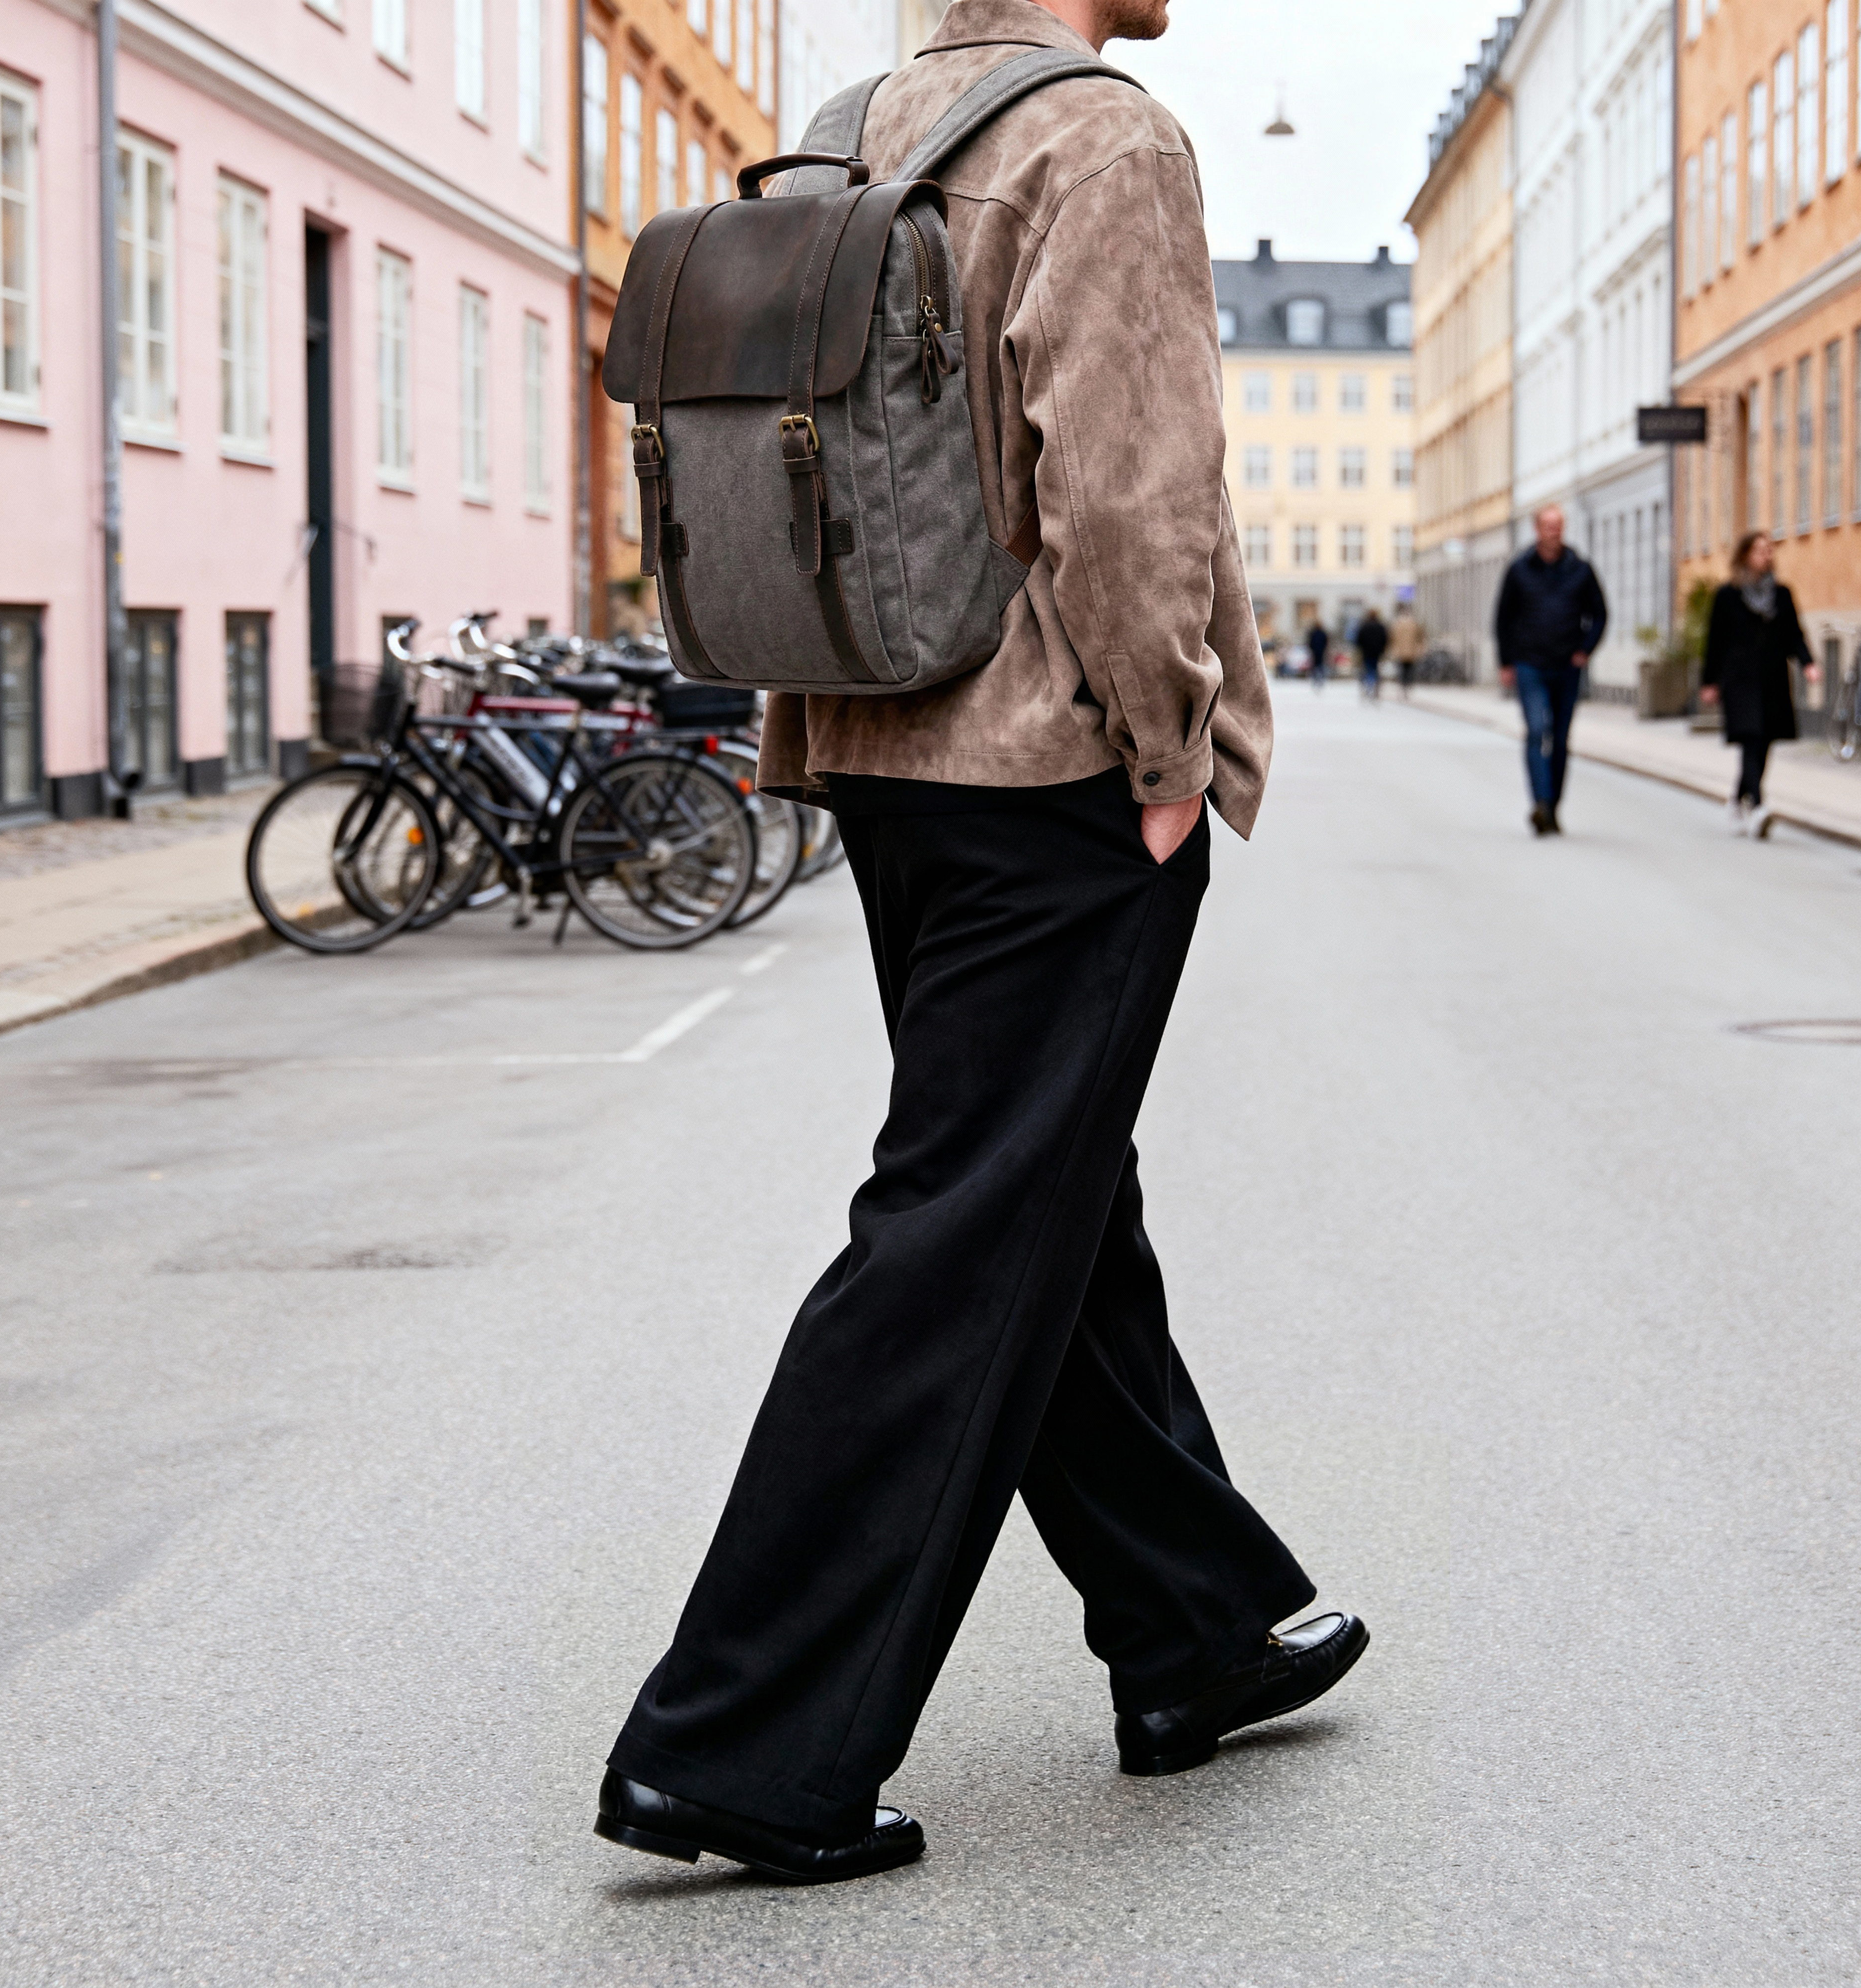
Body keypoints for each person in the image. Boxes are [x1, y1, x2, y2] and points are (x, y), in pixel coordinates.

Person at [594, 0, 1367, 1888]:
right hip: (1052, 769)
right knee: (963, 1230)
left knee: (1044, 1201)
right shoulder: (1103, 134)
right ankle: (743, 1744)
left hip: (882, 747)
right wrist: (1169, 748)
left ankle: (1196, 1625)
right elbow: (1125, 482)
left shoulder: (861, 121)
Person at [1493, 504, 1608, 835]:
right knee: (1536, 730)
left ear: (1563, 529)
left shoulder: (1580, 569)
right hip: (1530, 663)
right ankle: (1541, 803)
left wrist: (1586, 650)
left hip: (1567, 665)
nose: (1553, 532)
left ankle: (1554, 806)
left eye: (1558, 526)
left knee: (1559, 738)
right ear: (1537, 529)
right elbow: (1503, 618)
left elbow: (1600, 614)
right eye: (1547, 526)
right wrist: (1505, 662)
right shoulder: (1519, 570)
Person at [1700, 531, 1815, 835]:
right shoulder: (1728, 595)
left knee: (1764, 742)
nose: (1767, 556)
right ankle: (1759, 807)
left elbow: (1794, 634)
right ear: (1745, 556)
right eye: (1760, 551)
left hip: (1772, 678)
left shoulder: (1782, 594)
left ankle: (1738, 799)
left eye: (1769, 550)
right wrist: (1709, 681)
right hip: (1739, 679)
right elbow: (1715, 641)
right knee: (1752, 738)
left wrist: (1808, 663)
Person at [1388, 603, 1424, 698]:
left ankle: (1403, 687)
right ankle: (1407, 686)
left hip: (1400, 652)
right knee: (1410, 670)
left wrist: (1393, 649)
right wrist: (1419, 648)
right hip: (1411, 651)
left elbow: (1392, 638)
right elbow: (1420, 637)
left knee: (1402, 670)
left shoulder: (1397, 625)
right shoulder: (1415, 624)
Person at [1355, 607, 1388, 701]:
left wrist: (1362, 648)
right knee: (1374, 669)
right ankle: (1373, 686)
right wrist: (1382, 649)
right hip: (1377, 652)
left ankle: (1369, 685)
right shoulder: (1381, 626)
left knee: (1368, 669)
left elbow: (1359, 639)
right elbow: (1385, 639)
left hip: (1367, 652)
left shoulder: (1365, 626)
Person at [1305, 617, 1329, 688]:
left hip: (1318, 652)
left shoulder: (1316, 633)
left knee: (1318, 666)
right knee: (1318, 666)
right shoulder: (1317, 633)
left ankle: (1319, 679)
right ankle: (1317, 679)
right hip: (1317, 652)